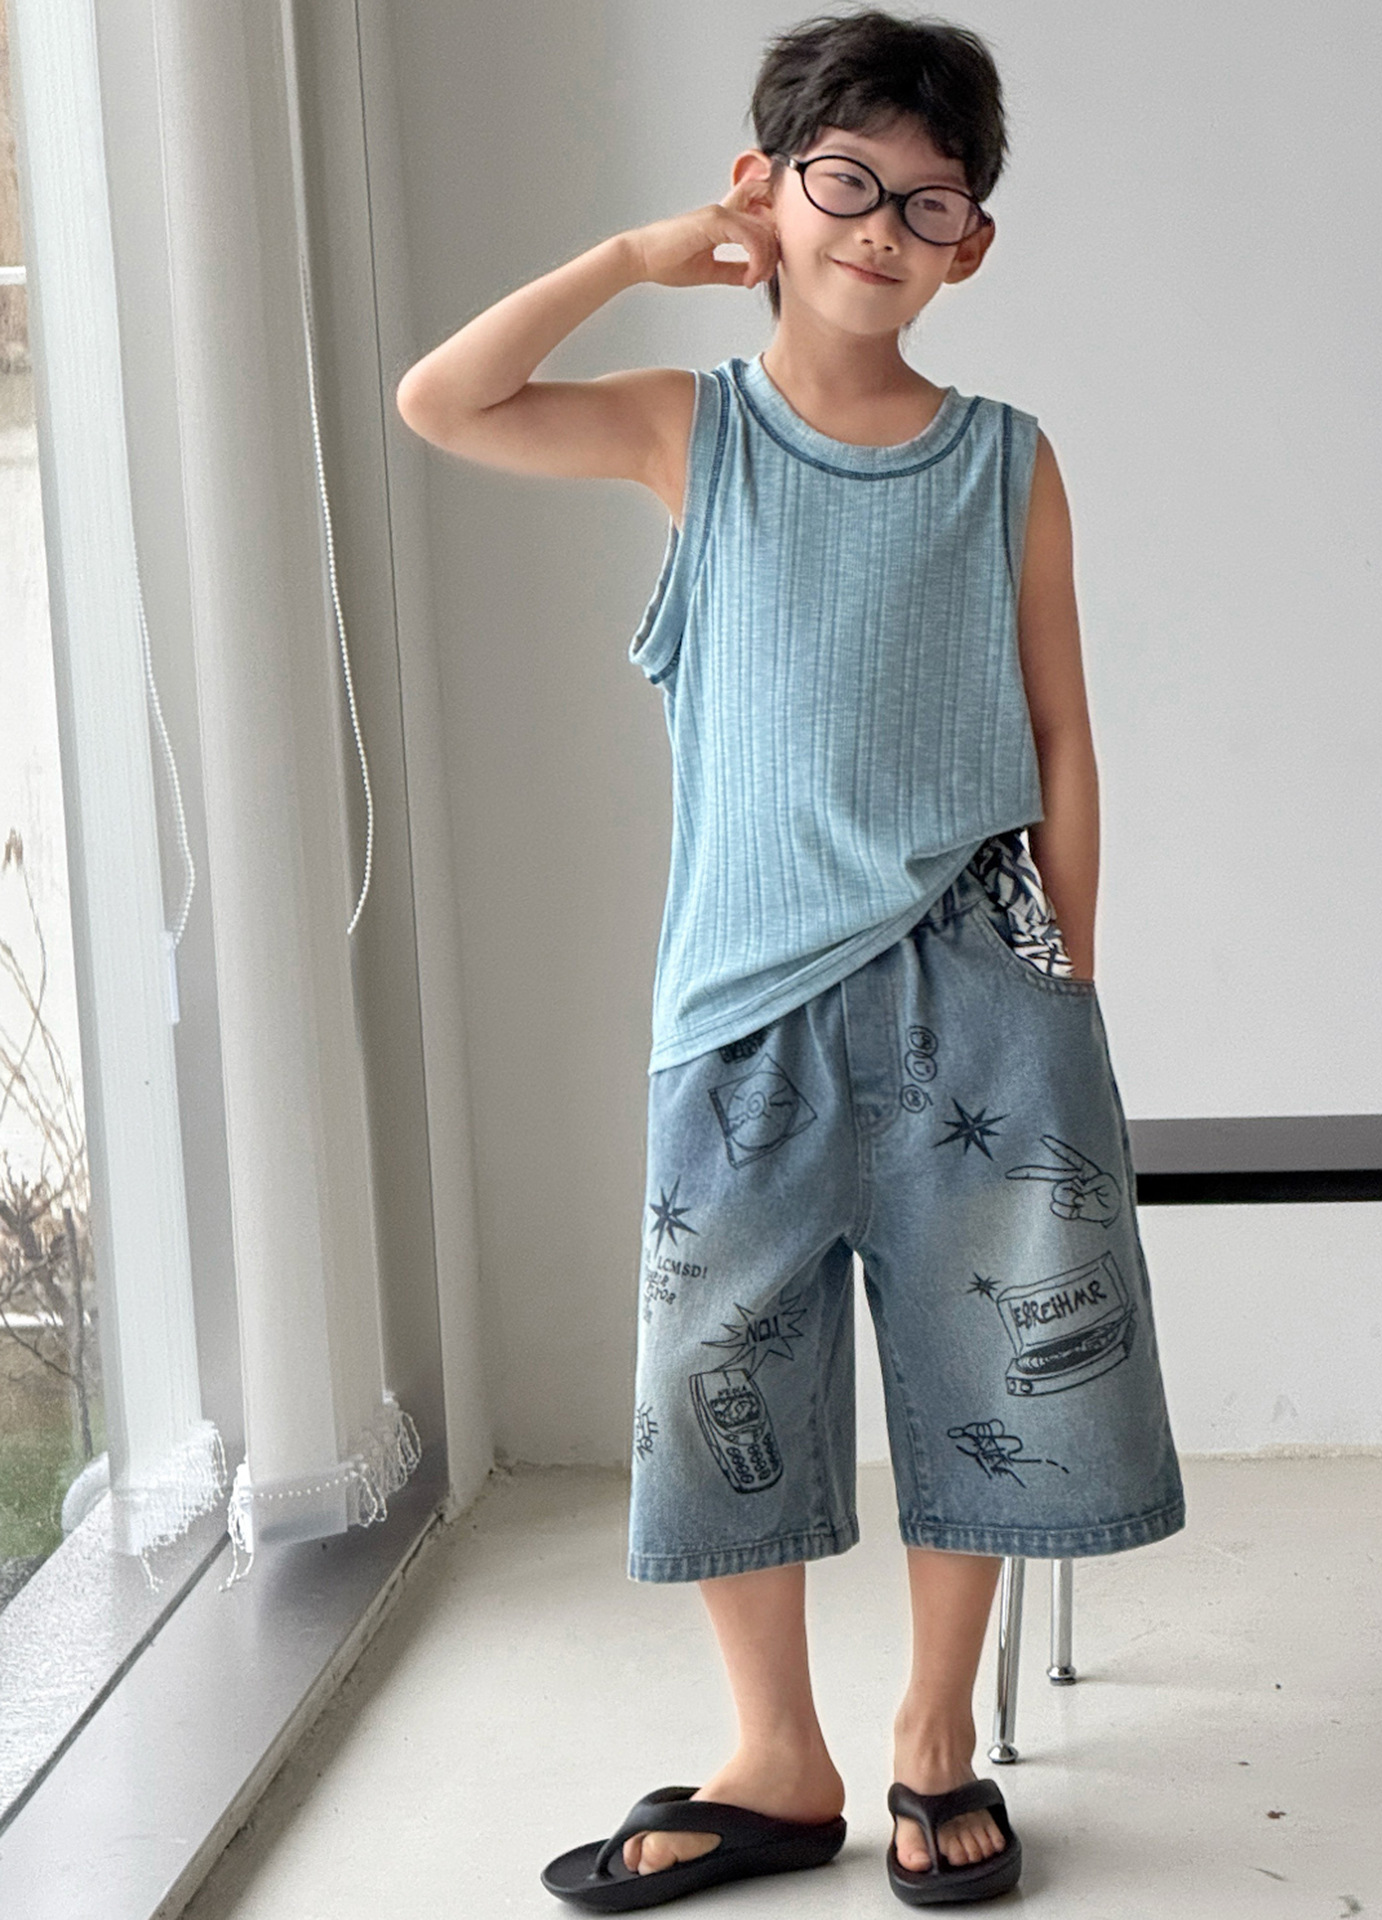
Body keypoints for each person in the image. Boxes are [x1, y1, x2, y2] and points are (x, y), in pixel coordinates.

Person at [397, 8, 1186, 1908]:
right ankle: (775, 1754)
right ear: (766, 188)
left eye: (931, 203)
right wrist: (634, 255)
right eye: (847, 184)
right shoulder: (693, 433)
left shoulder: (1006, 460)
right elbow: (444, 400)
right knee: (722, 1368)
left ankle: (932, 1730)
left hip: (982, 988)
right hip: (743, 1002)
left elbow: (1063, 732)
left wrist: (1066, 976)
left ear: (972, 244)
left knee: (990, 1352)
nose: (883, 229)